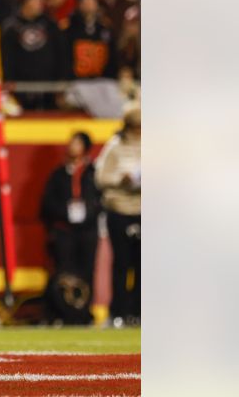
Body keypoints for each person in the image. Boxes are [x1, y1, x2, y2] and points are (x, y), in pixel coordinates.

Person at [39, 131, 102, 325]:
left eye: (76, 143)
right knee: (63, 272)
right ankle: (61, 313)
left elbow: (101, 200)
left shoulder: (93, 173)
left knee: (86, 270)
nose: (72, 147)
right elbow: (46, 204)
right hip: (64, 230)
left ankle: (83, 313)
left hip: (87, 230)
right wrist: (65, 213)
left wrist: (88, 212)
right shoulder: (58, 174)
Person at [95, 105, 141, 327]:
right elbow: (101, 177)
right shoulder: (115, 146)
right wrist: (120, 180)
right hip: (120, 209)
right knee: (122, 264)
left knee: (144, 265)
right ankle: (118, 312)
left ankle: (139, 312)